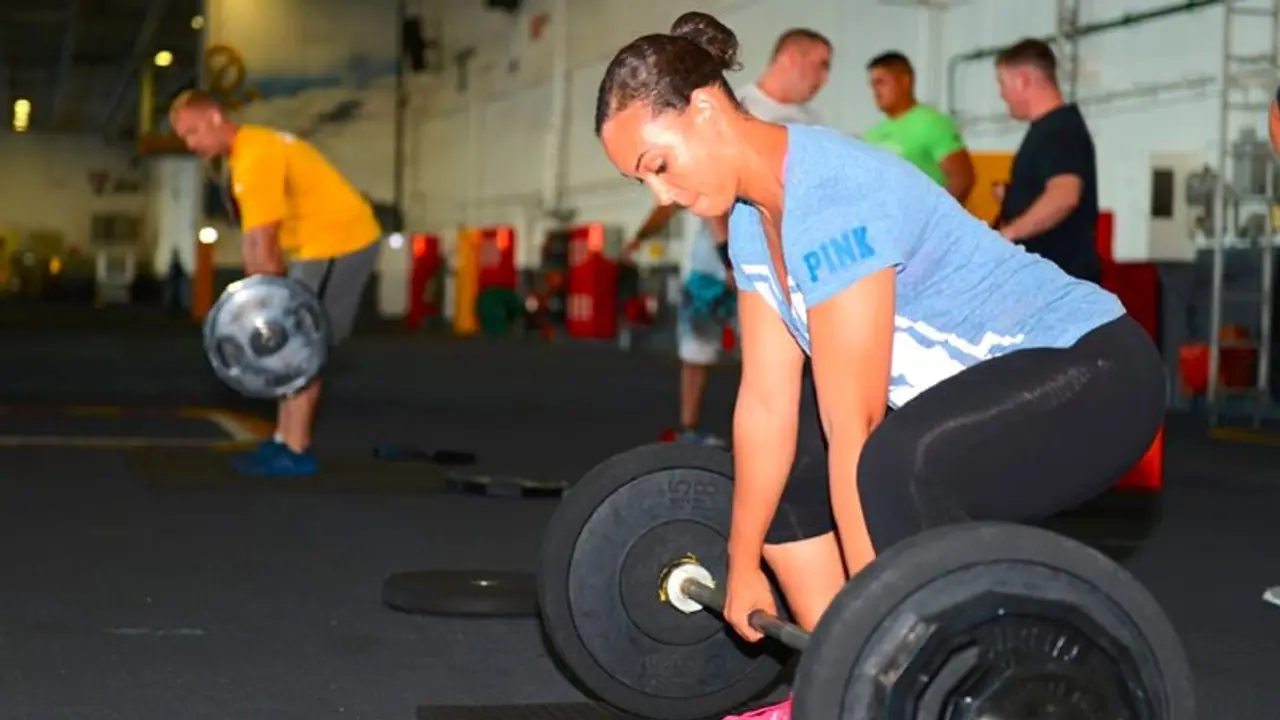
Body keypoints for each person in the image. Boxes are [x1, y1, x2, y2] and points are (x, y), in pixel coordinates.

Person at [595, 12, 1166, 719]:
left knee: (894, 465)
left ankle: (909, 680)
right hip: (990, 391)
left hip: (1094, 372)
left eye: (657, 165)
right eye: (640, 181)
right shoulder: (749, 224)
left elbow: (855, 423)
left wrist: (882, 630)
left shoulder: (831, 195)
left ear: (706, 108)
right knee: (793, 477)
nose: (660, 195)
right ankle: (837, 694)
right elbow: (766, 404)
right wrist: (742, 565)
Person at [621, 29, 831, 446]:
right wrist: (726, 256)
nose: (824, 77)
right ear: (790, 57)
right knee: (698, 349)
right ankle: (689, 430)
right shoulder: (739, 108)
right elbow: (701, 190)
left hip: (784, 261)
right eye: (820, 64)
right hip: (715, 262)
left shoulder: (813, 126)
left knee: (775, 357)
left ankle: (781, 443)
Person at [170, 89, 383, 477]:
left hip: (342, 241)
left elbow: (262, 243)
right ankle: (283, 439)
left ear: (217, 117)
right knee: (287, 340)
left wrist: (262, 314)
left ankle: (296, 450)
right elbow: (257, 243)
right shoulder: (247, 153)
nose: (191, 143)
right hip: (314, 245)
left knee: (301, 344)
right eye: (184, 137)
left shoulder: (255, 156)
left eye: (194, 131)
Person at [994, 39, 1102, 283]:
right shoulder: (1048, 130)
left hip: (1060, 282)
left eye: (1002, 83)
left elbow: (1064, 196)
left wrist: (1010, 233)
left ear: (1023, 80)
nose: (1002, 94)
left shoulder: (1060, 129)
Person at [862, 51, 975, 203]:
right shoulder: (873, 134)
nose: (875, 91)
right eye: (872, 85)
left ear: (904, 81)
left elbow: (962, 179)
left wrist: (934, 222)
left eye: (881, 82)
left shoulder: (933, 123)